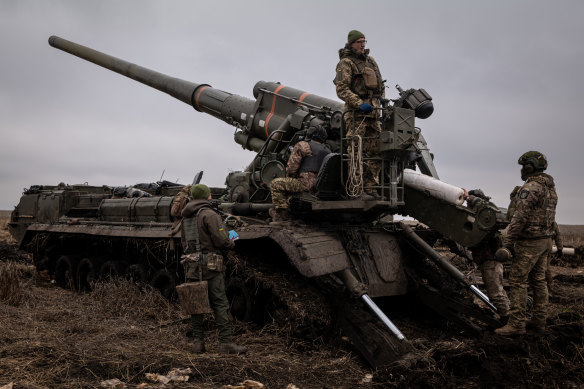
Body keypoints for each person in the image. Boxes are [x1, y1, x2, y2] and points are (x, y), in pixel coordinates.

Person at [495, 151, 558, 336]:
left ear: (530, 167)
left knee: (517, 280)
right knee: (539, 281)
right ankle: (539, 320)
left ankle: (516, 324)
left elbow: (519, 218)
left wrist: (508, 243)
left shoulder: (530, 188)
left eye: (524, 166)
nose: (522, 170)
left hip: (529, 242)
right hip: (545, 241)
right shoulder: (551, 189)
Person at [180, 184, 246, 354]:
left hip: (192, 265)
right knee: (220, 304)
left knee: (196, 304)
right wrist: (233, 237)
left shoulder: (185, 217)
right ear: (208, 196)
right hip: (210, 266)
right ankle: (226, 344)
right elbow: (221, 241)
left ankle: (198, 344)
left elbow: (184, 242)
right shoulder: (210, 214)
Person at [334, 29, 385, 200]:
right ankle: (357, 190)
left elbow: (381, 87)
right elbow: (341, 89)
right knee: (356, 152)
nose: (363, 44)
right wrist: (359, 104)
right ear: (351, 43)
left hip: (374, 114)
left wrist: (380, 103)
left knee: (378, 151)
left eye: (364, 41)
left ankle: (370, 188)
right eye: (359, 42)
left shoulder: (371, 61)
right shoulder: (346, 63)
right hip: (356, 115)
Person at [269, 125, 330, 222]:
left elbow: (291, 169)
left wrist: (290, 179)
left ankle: (282, 217)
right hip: (320, 188)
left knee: (276, 184)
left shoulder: (303, 145)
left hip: (304, 185)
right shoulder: (327, 150)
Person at [546, 221, 563, 293]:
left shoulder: (552, 222)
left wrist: (559, 248)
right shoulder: (551, 221)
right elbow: (558, 235)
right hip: (545, 247)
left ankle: (550, 287)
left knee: (545, 269)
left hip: (544, 249)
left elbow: (558, 235)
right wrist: (559, 248)